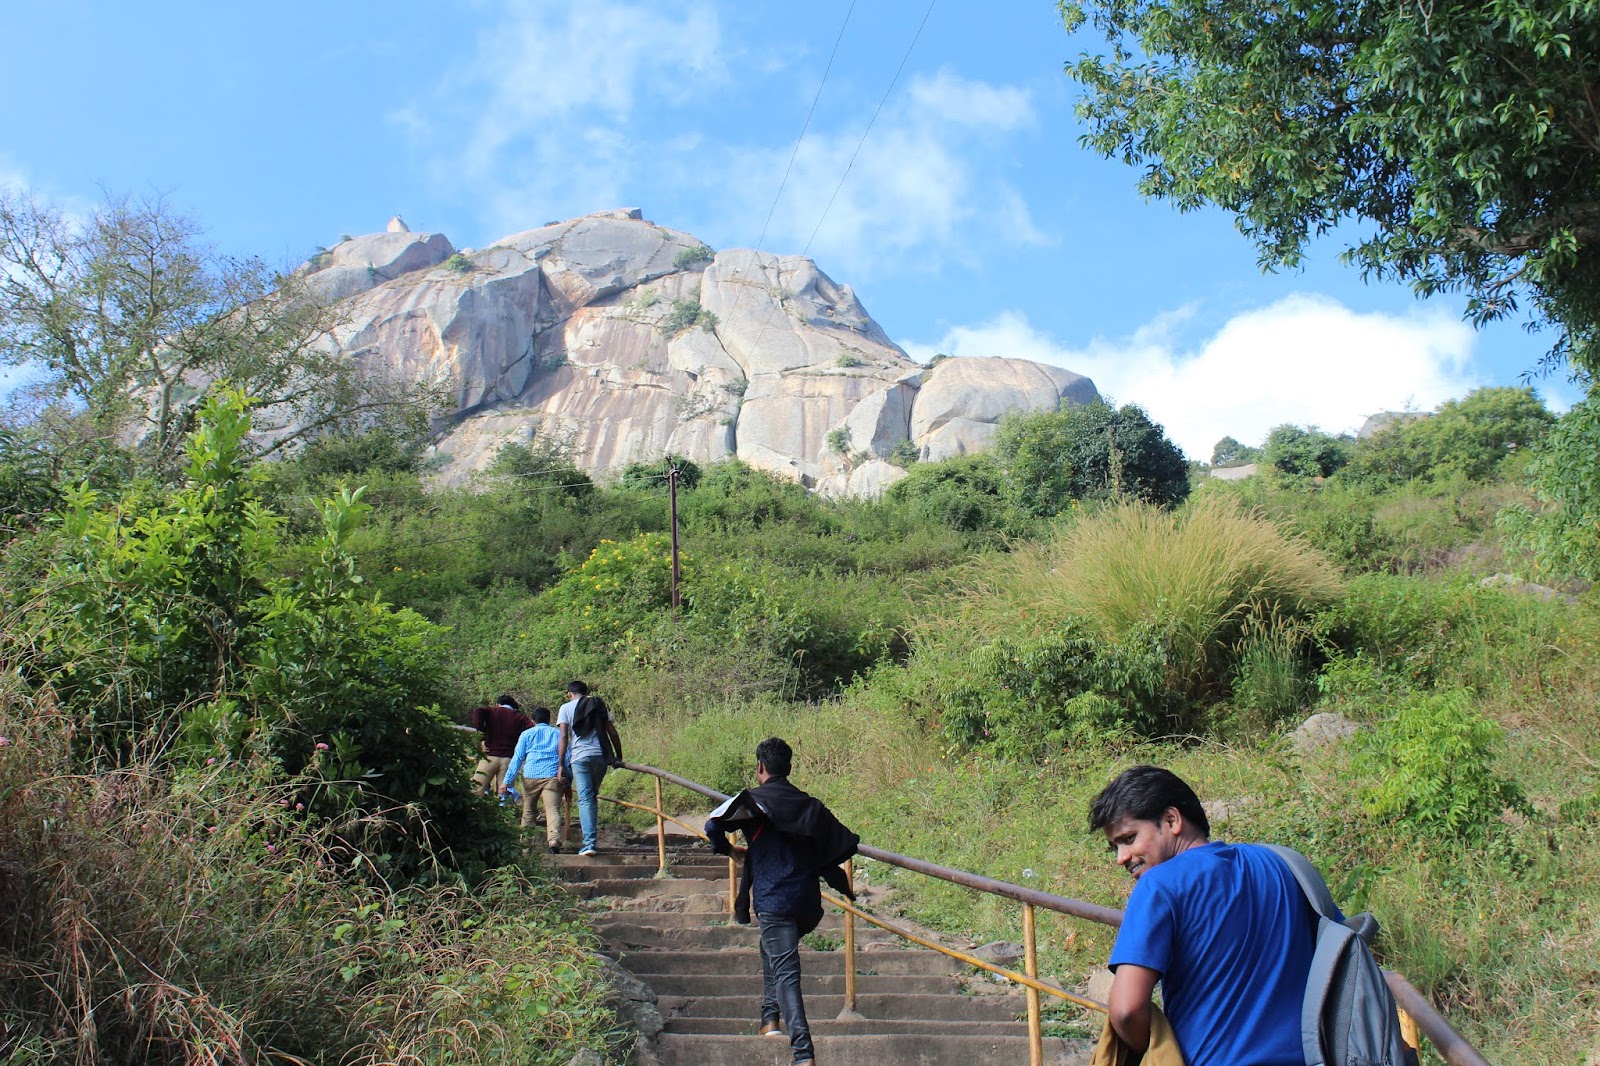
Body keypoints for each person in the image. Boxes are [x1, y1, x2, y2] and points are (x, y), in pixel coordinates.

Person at [1088, 765, 1336, 1066]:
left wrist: (1156, 1051)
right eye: (1114, 847)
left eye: (1129, 838)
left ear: (1171, 819)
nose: (1121, 858)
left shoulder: (1159, 885)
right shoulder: (1283, 864)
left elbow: (1126, 1009)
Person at [705, 737, 860, 1066]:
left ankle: (803, 1053)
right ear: (789, 768)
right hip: (806, 902)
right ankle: (769, 1019)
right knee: (772, 951)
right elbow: (844, 842)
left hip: (774, 899)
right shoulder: (811, 806)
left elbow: (712, 824)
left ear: (760, 767)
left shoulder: (752, 803)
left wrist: (731, 850)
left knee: (786, 970)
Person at [556, 680, 624, 858]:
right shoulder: (598, 704)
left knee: (585, 799)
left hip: (579, 758)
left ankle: (589, 844)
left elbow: (563, 736)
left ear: (569, 693)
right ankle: (590, 841)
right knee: (591, 797)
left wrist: (561, 764)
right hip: (600, 757)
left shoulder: (565, 708)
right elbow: (612, 732)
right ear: (586, 692)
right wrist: (618, 757)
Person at [498, 706, 567, 852]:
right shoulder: (558, 733)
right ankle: (554, 839)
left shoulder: (526, 734)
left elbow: (517, 759)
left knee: (529, 811)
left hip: (530, 776)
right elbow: (566, 757)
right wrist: (567, 777)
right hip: (552, 775)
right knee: (552, 808)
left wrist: (506, 781)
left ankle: (525, 846)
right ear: (550, 720)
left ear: (532, 720)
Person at [470, 694, 531, 797]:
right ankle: (503, 812)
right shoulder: (521, 718)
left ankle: (475, 811)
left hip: (490, 756)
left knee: (477, 789)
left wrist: (482, 736)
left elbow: (477, 712)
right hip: (509, 759)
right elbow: (531, 729)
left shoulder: (491, 711)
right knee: (505, 794)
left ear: (498, 704)